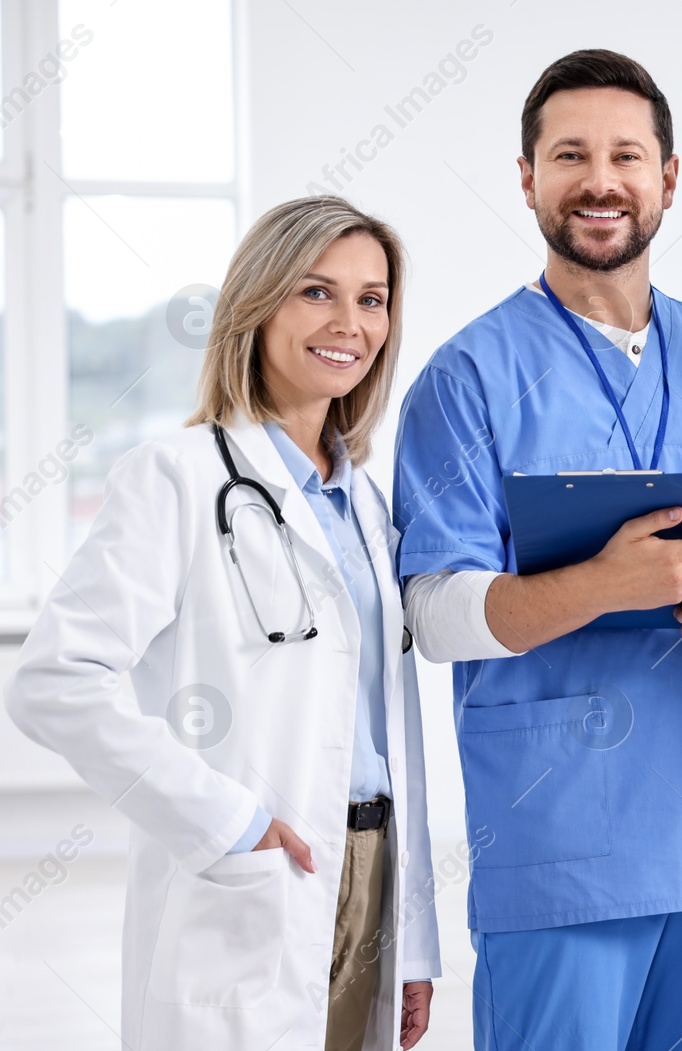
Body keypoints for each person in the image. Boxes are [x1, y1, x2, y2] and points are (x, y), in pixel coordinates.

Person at [392, 49, 682, 1051]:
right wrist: (603, 584)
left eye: (625, 156)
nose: (600, 181)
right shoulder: (467, 376)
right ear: (527, 178)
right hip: (553, 837)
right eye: (570, 155)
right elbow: (433, 613)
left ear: (668, 178)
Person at [5, 195, 441, 1050]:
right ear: (258, 303)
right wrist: (229, 822)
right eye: (317, 292)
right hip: (254, 866)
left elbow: (390, 730)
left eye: (372, 298)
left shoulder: (363, 501)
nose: (349, 323)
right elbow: (52, 683)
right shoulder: (172, 476)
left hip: (370, 868)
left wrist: (413, 934)